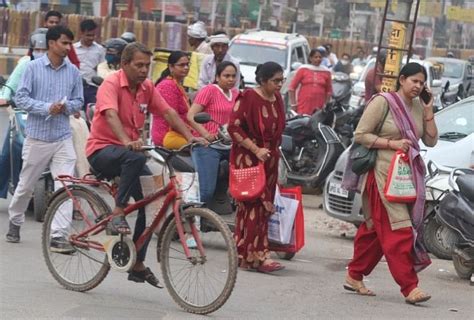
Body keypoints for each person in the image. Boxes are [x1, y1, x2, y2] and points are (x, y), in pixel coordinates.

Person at [85, 42, 205, 288]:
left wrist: (191, 137)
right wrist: (126, 141)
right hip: (103, 151)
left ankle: (137, 263)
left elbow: (169, 113)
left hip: (130, 152)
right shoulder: (111, 83)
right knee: (137, 157)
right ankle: (118, 213)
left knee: (153, 204)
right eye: (138, 65)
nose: (143, 70)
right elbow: (110, 115)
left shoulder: (147, 87)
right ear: (124, 64)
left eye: (147, 66)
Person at [344, 62, 438, 304]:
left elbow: (431, 140)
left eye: (421, 82)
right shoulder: (383, 102)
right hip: (382, 176)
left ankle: (354, 275)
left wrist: (429, 110)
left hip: (406, 177)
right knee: (400, 230)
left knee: (375, 231)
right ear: (402, 79)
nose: (418, 86)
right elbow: (360, 135)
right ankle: (409, 287)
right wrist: (391, 144)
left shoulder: (418, 106)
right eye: (413, 81)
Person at [5, 26, 84, 244]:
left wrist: (66, 108)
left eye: (70, 43)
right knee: (25, 186)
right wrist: (46, 107)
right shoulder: (32, 68)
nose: (68, 47)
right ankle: (16, 220)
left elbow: (79, 101)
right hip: (37, 137)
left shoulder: (74, 72)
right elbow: (21, 99)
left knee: (66, 187)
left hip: (62, 137)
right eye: (64, 43)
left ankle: (58, 235)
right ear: (51, 43)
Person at [228, 62, 286, 273]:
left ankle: (249, 253)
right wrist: (255, 149)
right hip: (249, 157)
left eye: (282, 80)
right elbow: (233, 127)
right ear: (263, 81)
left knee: (264, 208)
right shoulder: (248, 98)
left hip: (270, 159)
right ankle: (255, 255)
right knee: (252, 206)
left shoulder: (277, 98)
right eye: (276, 81)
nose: (280, 85)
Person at [187, 61, 239, 204]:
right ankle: (194, 220)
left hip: (229, 145)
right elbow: (191, 116)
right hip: (208, 145)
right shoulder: (209, 90)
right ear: (217, 77)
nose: (230, 79)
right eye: (226, 76)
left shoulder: (236, 94)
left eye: (233, 76)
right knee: (206, 191)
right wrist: (206, 134)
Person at [151, 51, 193, 148]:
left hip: (180, 133)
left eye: (187, 64)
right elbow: (172, 118)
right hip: (168, 136)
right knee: (203, 148)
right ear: (171, 67)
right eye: (182, 65)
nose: (186, 68)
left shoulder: (177, 84)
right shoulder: (167, 86)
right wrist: (191, 134)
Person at [0, 29, 48, 105]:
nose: (41, 53)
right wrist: (5, 99)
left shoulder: (59, 67)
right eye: (37, 50)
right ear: (32, 50)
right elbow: (11, 85)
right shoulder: (26, 63)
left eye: (45, 50)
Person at [288, 48, 332, 115]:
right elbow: (292, 88)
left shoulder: (326, 72)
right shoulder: (303, 69)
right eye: (315, 57)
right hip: (304, 104)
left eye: (320, 57)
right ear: (310, 58)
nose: (318, 59)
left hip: (319, 105)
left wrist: (326, 105)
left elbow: (329, 91)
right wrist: (293, 104)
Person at [74, 19, 105, 109]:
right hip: (76, 88)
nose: (91, 38)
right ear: (81, 33)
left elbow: (102, 68)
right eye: (88, 35)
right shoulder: (73, 49)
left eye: (93, 35)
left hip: (93, 88)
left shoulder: (100, 50)